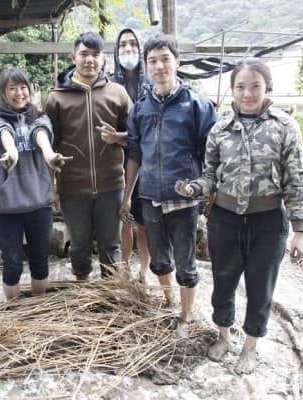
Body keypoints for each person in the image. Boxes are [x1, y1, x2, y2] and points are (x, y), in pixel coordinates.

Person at [174, 57, 303, 374]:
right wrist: (194, 189)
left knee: (261, 287)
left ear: (267, 87)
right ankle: (223, 336)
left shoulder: (285, 127)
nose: (247, 93)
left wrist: (300, 230)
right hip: (225, 219)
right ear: (232, 89)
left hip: (268, 221)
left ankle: (250, 346)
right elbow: (210, 177)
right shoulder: (220, 129)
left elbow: (296, 179)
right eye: (240, 87)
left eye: (255, 86)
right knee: (223, 281)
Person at [120, 34, 216, 335]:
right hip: (150, 195)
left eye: (165, 59)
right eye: (153, 61)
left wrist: (208, 190)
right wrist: (127, 196)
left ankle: (185, 318)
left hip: (185, 198)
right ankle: (168, 300)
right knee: (160, 259)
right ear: (147, 67)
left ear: (178, 61)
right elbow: (134, 153)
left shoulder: (197, 105)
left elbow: (209, 154)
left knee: (186, 262)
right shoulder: (140, 109)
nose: (159, 66)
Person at [43, 31, 132, 280]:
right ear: (74, 57)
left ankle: (110, 294)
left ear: (103, 59)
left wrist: (118, 137)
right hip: (73, 188)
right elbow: (48, 144)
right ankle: (83, 295)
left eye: (95, 55)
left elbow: (135, 137)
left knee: (110, 245)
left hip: (111, 185)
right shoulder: (56, 98)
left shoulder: (118, 93)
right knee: (80, 246)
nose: (89, 60)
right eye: (84, 54)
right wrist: (52, 187)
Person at [0, 67, 70, 299]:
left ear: (30, 90)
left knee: (40, 261)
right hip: (7, 206)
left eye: (23, 87)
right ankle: (13, 312)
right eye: (12, 88)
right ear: (3, 93)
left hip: (39, 203)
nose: (18, 93)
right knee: (12, 264)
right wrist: (11, 150)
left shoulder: (39, 117)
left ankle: (37, 312)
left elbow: (39, 134)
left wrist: (50, 155)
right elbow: (1, 132)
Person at [112, 28, 151, 284]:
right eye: (123, 45)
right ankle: (124, 267)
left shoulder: (152, 84)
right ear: (116, 52)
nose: (128, 49)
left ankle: (144, 271)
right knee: (124, 217)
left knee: (144, 220)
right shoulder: (111, 84)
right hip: (119, 159)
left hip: (148, 161)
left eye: (133, 44)